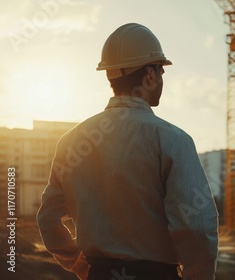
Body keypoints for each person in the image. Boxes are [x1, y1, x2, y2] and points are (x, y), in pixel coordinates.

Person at [37, 23, 219, 280]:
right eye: (161, 71)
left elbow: (48, 219)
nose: (162, 79)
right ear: (150, 75)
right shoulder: (172, 140)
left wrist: (81, 265)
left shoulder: (70, 141)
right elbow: (197, 228)